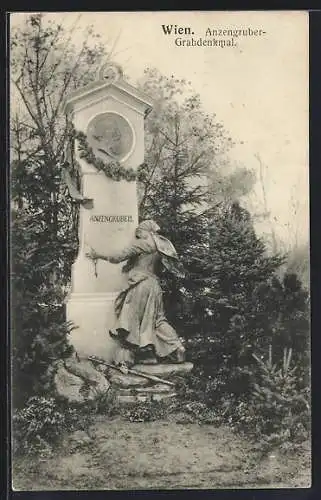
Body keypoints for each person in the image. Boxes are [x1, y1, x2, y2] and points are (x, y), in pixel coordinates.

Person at [86, 220, 186, 365]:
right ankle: (177, 346)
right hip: (154, 285)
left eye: (138, 233)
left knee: (134, 320)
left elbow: (117, 257)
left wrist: (98, 255)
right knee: (158, 320)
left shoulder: (142, 244)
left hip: (141, 285)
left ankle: (143, 354)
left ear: (145, 232)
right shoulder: (160, 246)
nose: (137, 236)